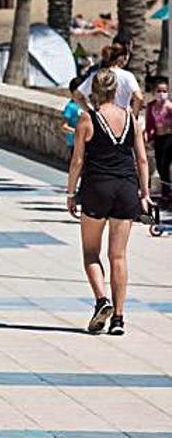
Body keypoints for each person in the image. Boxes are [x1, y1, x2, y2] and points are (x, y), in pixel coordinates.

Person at [66, 69, 151, 336]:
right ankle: (118, 318)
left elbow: (78, 160)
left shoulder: (87, 120)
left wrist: (70, 193)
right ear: (116, 91)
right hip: (126, 188)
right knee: (119, 256)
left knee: (91, 252)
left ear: (95, 91)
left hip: (96, 188)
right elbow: (142, 160)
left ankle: (102, 300)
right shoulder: (131, 119)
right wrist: (145, 193)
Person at [74, 44, 144, 117]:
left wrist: (91, 113)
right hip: (121, 118)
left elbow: (78, 96)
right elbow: (139, 97)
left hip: (101, 117)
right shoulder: (128, 76)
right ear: (123, 58)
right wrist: (134, 116)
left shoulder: (97, 75)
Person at [146, 79, 172, 206]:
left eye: (164, 91)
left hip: (169, 138)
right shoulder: (151, 106)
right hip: (158, 138)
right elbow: (149, 123)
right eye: (159, 91)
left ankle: (167, 193)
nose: (161, 94)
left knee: (165, 164)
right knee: (160, 165)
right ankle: (165, 192)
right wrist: (148, 137)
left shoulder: (169, 106)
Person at [62, 77, 83, 160]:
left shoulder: (84, 105)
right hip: (74, 143)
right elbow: (64, 126)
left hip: (84, 142)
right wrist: (76, 132)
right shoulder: (70, 107)